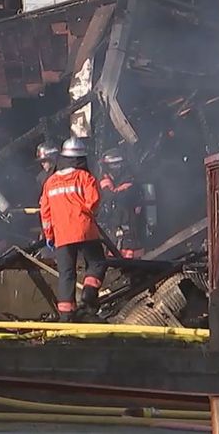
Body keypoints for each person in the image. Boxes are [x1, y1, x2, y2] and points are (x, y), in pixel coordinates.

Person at [39, 136, 105, 321]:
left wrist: (49, 236)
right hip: (85, 230)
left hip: (61, 235)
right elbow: (94, 202)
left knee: (66, 274)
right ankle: (89, 292)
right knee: (97, 262)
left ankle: (66, 315)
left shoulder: (50, 182)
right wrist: (88, 214)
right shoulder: (85, 177)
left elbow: (45, 213)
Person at [99, 149, 147, 259]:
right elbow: (107, 194)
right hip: (114, 229)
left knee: (130, 251)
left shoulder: (129, 181)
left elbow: (116, 196)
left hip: (129, 228)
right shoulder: (106, 178)